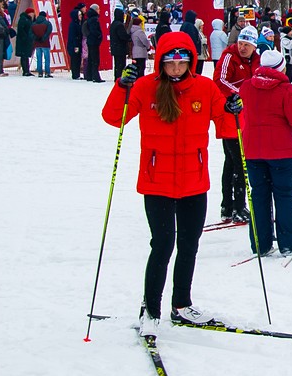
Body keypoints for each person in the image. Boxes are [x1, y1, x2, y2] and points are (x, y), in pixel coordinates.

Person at [102, 32, 238, 337]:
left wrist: (233, 111)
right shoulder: (145, 87)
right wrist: (121, 87)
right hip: (157, 182)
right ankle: (150, 308)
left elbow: (226, 127)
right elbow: (114, 118)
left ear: (191, 61)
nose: (176, 68)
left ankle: (182, 305)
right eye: (170, 63)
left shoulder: (204, 88)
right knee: (162, 245)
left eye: (182, 62)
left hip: (194, 181)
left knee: (189, 245)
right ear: (160, 62)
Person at [238, 49, 292, 256]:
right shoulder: (284, 89)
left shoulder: (246, 87)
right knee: (284, 195)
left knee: (259, 196)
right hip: (281, 152)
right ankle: (288, 242)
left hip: (254, 150)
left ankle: (260, 243)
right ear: (281, 67)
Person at [213, 26, 260, 222]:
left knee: (232, 162)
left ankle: (229, 205)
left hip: (246, 118)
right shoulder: (229, 56)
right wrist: (242, 94)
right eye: (241, 43)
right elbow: (219, 80)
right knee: (239, 163)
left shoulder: (257, 59)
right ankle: (237, 206)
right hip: (230, 116)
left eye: (247, 45)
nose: (242, 47)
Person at [83, 4, 104, 82]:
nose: (99, 11)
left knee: (91, 59)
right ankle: (96, 77)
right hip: (94, 41)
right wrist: (99, 36)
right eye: (98, 9)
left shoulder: (89, 18)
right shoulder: (94, 19)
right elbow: (94, 30)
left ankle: (89, 75)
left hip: (90, 41)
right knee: (95, 60)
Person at [109, 7, 131, 80]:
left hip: (115, 47)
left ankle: (117, 77)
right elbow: (123, 36)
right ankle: (119, 78)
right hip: (120, 48)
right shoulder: (119, 25)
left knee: (117, 64)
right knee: (121, 64)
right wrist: (129, 36)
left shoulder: (113, 24)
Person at [31, 10, 53, 78]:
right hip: (45, 43)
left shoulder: (33, 24)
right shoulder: (47, 23)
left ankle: (40, 72)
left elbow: (31, 33)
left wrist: (36, 38)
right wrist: (43, 38)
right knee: (47, 58)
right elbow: (48, 32)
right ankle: (47, 72)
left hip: (37, 44)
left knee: (39, 58)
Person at [66, 4, 85, 79]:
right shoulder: (74, 25)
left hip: (77, 44)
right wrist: (75, 45)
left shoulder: (77, 24)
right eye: (79, 15)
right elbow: (73, 37)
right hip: (74, 45)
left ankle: (76, 74)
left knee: (77, 59)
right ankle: (75, 74)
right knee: (75, 60)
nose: (81, 16)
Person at [15, 8, 35, 77]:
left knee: (25, 56)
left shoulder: (28, 19)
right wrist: (25, 37)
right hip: (23, 41)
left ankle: (27, 70)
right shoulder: (24, 19)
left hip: (26, 40)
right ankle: (25, 71)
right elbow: (21, 29)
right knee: (24, 56)